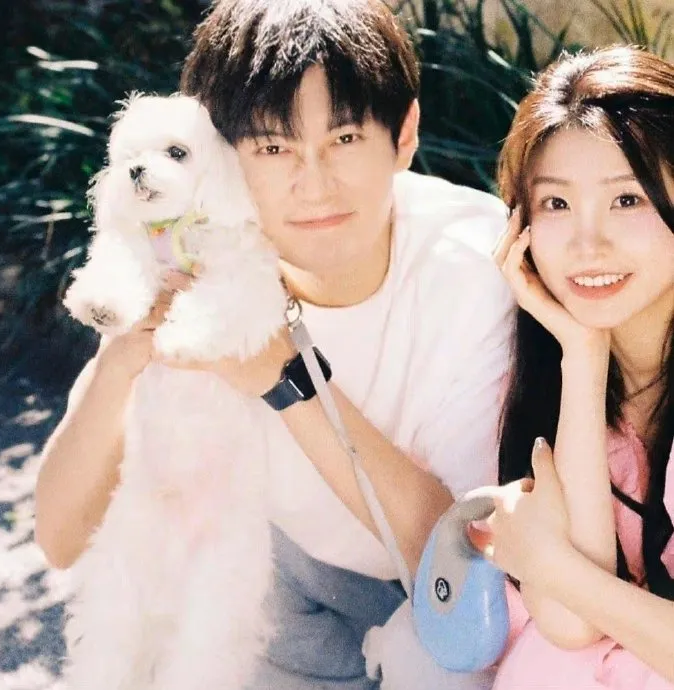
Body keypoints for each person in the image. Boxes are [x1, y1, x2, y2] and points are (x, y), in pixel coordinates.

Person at [35, 0, 513, 687]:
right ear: (221, 155)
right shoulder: (196, 258)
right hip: (272, 590)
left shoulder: (468, 264)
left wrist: (282, 376)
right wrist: (124, 357)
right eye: (272, 147)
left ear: (404, 133)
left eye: (344, 138)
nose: (313, 184)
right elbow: (60, 538)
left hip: (426, 601)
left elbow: (465, 556)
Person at [483, 46, 674, 688]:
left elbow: (569, 592)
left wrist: (553, 566)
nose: (589, 245)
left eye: (627, 199)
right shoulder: (552, 373)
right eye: (557, 205)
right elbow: (568, 623)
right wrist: (584, 355)